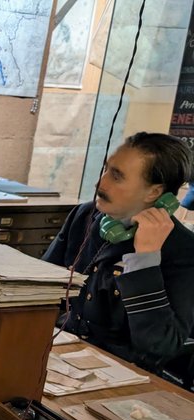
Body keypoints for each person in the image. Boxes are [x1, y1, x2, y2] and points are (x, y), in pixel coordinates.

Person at [43, 132, 194, 372]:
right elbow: (41, 288)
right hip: (60, 352)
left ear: (154, 193)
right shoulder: (85, 216)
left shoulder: (182, 249)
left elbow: (160, 346)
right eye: (106, 169)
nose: (101, 183)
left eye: (117, 176)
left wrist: (145, 259)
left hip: (120, 374)